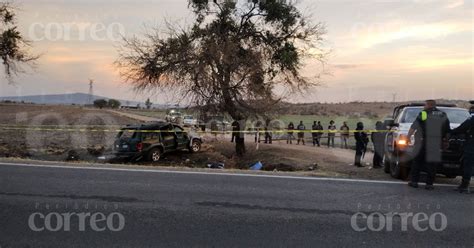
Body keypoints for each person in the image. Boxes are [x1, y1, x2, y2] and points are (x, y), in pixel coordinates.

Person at [407, 100, 450, 190]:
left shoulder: (424, 113)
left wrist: (408, 136)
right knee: (432, 164)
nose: (424, 106)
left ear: (429, 105)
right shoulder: (442, 114)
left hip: (422, 141)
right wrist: (446, 141)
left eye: (425, 104)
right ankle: (429, 184)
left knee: (417, 162)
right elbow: (447, 130)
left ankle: (414, 182)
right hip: (435, 142)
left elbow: (415, 126)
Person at [450, 104, 474, 193]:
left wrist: (451, 132)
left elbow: (463, 128)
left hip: (472, 145)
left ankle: (464, 186)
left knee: (468, 165)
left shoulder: (472, 118)